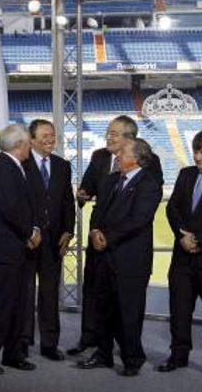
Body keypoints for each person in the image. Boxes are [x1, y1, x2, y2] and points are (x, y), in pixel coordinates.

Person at [70, 115, 163, 356]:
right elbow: (89, 189)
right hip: (98, 239)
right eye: (108, 132)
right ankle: (93, 341)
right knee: (95, 292)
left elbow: (142, 209)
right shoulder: (100, 157)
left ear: (131, 139)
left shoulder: (149, 165)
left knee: (128, 303)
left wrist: (108, 235)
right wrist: (84, 199)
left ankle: (128, 349)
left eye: (114, 133)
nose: (108, 137)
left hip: (126, 246)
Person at [161, 130, 202, 379]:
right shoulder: (185, 174)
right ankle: (178, 355)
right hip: (183, 258)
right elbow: (172, 208)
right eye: (196, 152)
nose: (198, 158)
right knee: (179, 310)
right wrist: (183, 237)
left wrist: (198, 238)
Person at [0, 124, 40, 375]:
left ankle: (13, 354)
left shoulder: (12, 166)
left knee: (16, 306)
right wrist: (30, 232)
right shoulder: (4, 168)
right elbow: (10, 208)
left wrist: (30, 229)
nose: (30, 147)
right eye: (28, 143)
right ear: (18, 145)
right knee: (1, 306)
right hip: (3, 252)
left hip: (13, 250)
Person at [21, 119, 75, 361]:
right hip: (27, 240)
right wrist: (26, 232)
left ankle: (49, 344)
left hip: (54, 242)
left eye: (52, 135)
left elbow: (67, 202)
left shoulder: (63, 166)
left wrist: (68, 230)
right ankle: (22, 341)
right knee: (24, 292)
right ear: (31, 140)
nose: (50, 139)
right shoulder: (20, 164)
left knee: (50, 294)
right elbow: (16, 204)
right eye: (44, 136)